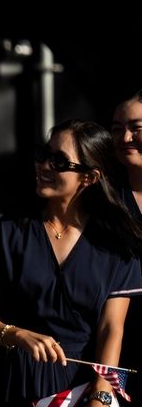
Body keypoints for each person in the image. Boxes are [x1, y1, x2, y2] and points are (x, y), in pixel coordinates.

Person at [0, 119, 142, 406]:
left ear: (89, 177)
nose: (44, 166)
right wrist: (17, 335)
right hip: (15, 383)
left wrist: (101, 395)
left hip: (83, 389)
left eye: (59, 161)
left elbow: (112, 329)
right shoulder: (6, 233)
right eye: (43, 155)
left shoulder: (117, 247)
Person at [110, 92, 142, 407]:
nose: (125, 137)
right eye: (117, 128)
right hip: (121, 349)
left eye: (136, 127)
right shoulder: (106, 203)